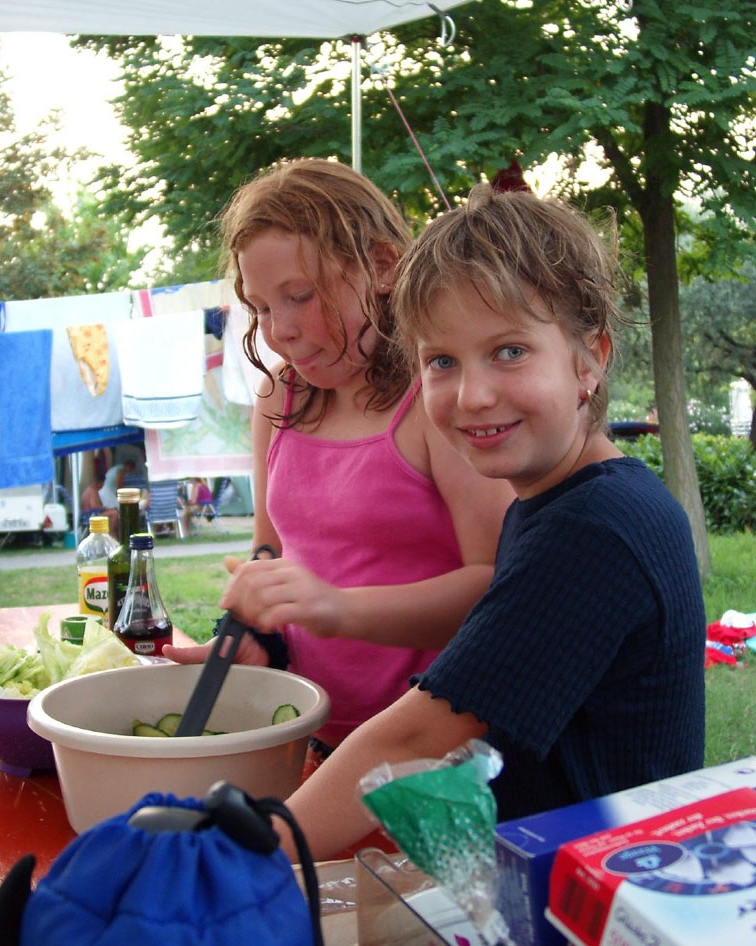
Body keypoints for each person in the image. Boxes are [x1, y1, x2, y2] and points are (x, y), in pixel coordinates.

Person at [225, 181, 706, 861]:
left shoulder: (596, 529)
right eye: (442, 362)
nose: (473, 395)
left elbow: (418, 738)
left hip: (601, 886)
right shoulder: (558, 503)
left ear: (590, 359)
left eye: (510, 351)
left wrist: (244, 858)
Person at [164, 158, 514, 763]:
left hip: (439, 742)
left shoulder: (436, 397)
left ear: (381, 266)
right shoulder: (280, 395)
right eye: (261, 307)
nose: (280, 330)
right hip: (315, 731)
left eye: (300, 296)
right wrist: (258, 635)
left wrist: (337, 608)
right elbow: (271, 551)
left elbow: (496, 585)